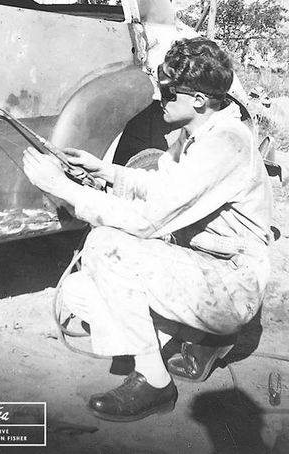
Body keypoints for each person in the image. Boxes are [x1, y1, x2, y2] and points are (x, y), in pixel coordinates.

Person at [22, 37, 273, 423]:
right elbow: (163, 187)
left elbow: (147, 221)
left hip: (230, 284)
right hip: (200, 269)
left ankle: (155, 382)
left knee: (105, 244)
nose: (160, 98)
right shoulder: (200, 132)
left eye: (169, 92)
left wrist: (64, 189)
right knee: (79, 294)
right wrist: (106, 171)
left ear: (198, 100)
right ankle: (203, 336)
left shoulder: (225, 144)